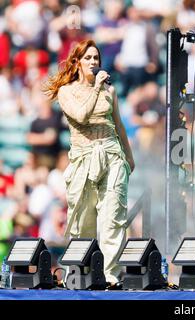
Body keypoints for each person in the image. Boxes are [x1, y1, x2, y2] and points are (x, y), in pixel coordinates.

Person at [44, 39, 135, 287]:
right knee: (83, 222)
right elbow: (82, 117)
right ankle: (82, 275)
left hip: (111, 153)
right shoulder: (67, 91)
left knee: (112, 218)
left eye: (96, 58)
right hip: (83, 158)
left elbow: (119, 125)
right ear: (77, 62)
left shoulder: (110, 91)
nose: (93, 62)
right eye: (88, 58)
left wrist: (129, 156)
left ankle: (110, 277)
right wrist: (96, 87)